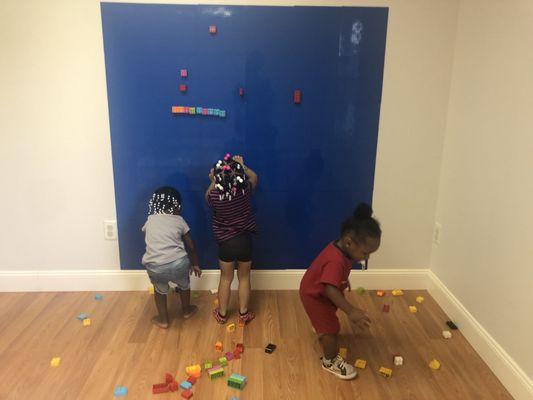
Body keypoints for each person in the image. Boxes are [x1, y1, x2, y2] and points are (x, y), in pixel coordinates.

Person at [299, 203, 381, 379]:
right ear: (349, 241)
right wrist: (351, 311)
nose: (366, 258)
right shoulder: (336, 260)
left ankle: (320, 325)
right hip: (315, 296)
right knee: (331, 329)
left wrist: (343, 279)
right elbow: (329, 289)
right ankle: (330, 361)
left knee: (327, 321)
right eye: (366, 253)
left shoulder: (343, 249)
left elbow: (332, 275)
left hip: (315, 289)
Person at [206, 154, 258, 325]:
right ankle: (243, 313)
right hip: (244, 241)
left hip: (226, 243)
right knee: (244, 277)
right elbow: (254, 177)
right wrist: (242, 166)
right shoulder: (245, 192)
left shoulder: (214, 196)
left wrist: (213, 181)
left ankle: (222, 314)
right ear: (239, 176)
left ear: (217, 177)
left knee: (225, 278)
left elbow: (207, 196)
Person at [141, 186, 202, 328]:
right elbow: (191, 246)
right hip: (178, 263)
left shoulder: (150, 220)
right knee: (184, 285)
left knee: (159, 290)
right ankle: (186, 310)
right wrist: (195, 264)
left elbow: (148, 238)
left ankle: (163, 320)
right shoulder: (179, 220)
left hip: (155, 266)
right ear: (177, 206)